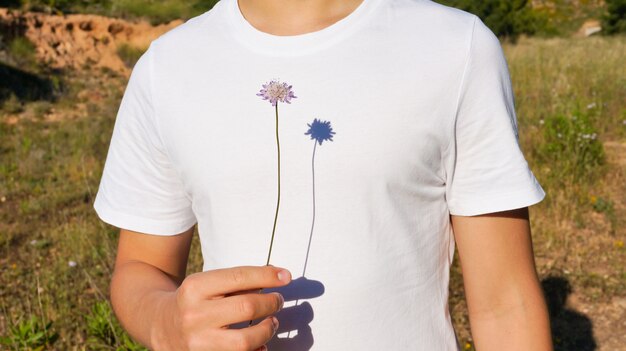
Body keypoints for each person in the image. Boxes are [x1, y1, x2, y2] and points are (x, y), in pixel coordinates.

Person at [93, 0, 554, 350]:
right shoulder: (167, 67)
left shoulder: (456, 47)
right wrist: (163, 321)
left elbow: (505, 300)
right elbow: (140, 268)